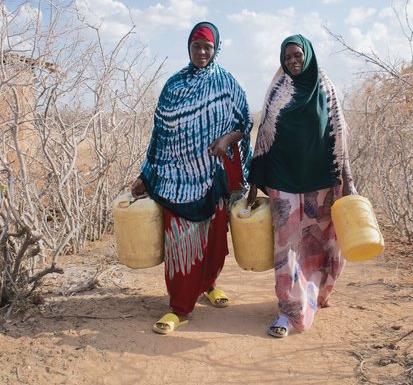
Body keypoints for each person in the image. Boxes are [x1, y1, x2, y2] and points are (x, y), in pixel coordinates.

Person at [131, 21, 253, 334]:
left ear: (216, 49)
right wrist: (147, 173)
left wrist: (227, 141)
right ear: (188, 47)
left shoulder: (227, 84)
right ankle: (179, 306)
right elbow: (159, 133)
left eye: (207, 47)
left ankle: (209, 285)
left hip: (214, 176)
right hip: (176, 177)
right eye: (196, 46)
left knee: (213, 240)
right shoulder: (173, 86)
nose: (202, 52)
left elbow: (244, 122)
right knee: (180, 241)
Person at [246, 34, 356, 338]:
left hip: (321, 184)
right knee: (287, 247)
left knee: (321, 244)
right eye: (287, 58)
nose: (293, 62)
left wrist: (347, 180)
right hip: (283, 182)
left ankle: (318, 294)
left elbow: (340, 136)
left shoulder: (325, 89)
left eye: (297, 55)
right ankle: (289, 311)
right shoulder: (277, 91)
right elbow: (264, 137)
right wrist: (255, 182)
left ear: (308, 55)